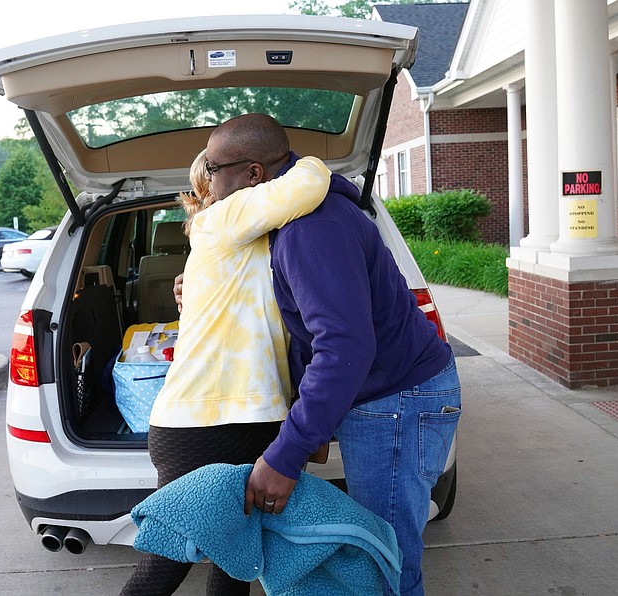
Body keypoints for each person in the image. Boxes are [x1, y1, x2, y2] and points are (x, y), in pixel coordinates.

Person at [179, 113, 462, 596]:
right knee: (379, 556)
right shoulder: (287, 222)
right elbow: (302, 324)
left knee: (384, 560)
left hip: (396, 402)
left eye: (212, 168)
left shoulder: (311, 230)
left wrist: (286, 455)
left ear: (252, 173)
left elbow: (343, 345)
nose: (207, 181)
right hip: (377, 398)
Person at [119, 119, 331, 596]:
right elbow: (311, 180)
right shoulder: (224, 220)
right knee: (166, 562)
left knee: (235, 562)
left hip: (243, 420)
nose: (217, 184)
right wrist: (311, 162)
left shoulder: (250, 242)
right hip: (202, 425)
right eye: (211, 173)